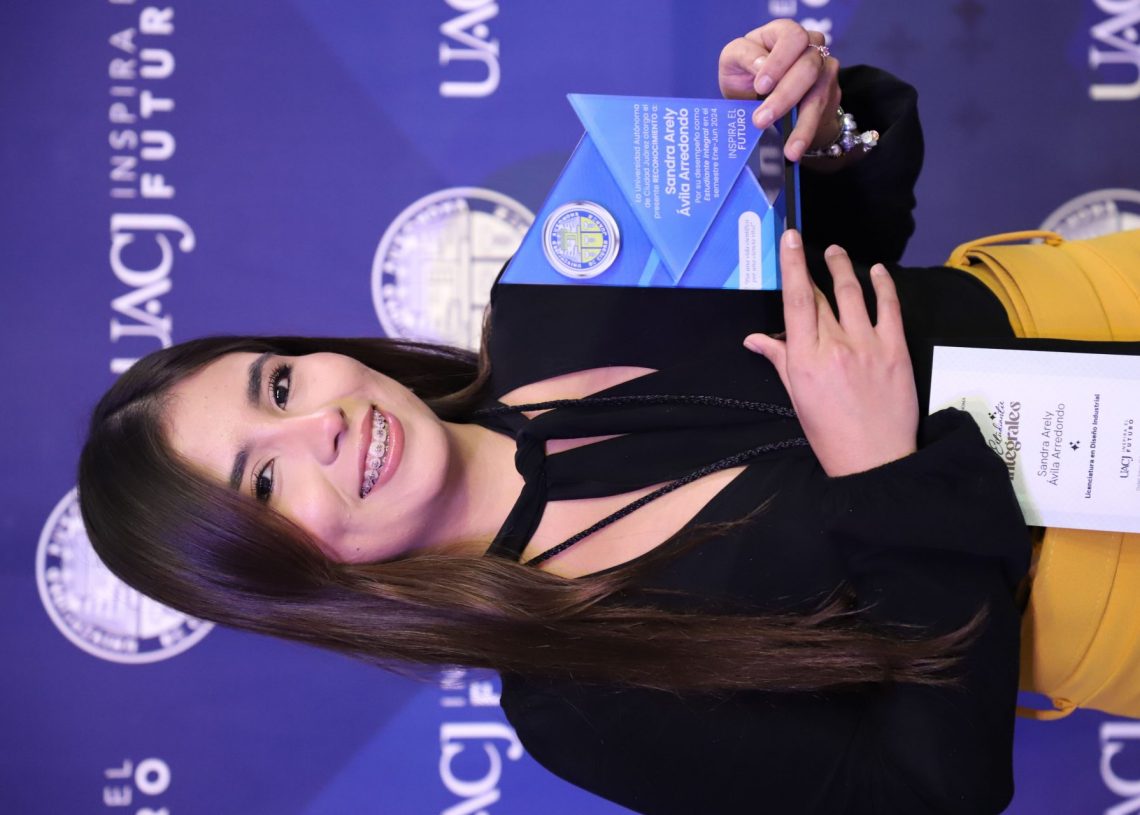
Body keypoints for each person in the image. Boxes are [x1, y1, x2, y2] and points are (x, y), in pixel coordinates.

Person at [78, 18, 1130, 814]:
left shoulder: (549, 294)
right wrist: (881, 480)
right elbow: (926, 789)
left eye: (278, 385)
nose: (322, 427)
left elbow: (835, 243)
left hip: (1089, 307)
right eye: (264, 483)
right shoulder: (578, 699)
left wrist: (816, 126)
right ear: (289, 578)